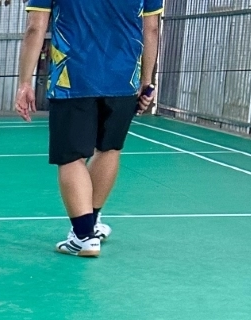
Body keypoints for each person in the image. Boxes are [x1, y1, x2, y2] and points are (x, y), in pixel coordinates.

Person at [14, 0, 161, 256]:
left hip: (72, 78)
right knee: (109, 149)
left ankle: (83, 236)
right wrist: (147, 81)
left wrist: (25, 83)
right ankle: (90, 225)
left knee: (71, 157)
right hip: (123, 79)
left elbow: (35, 28)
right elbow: (152, 28)